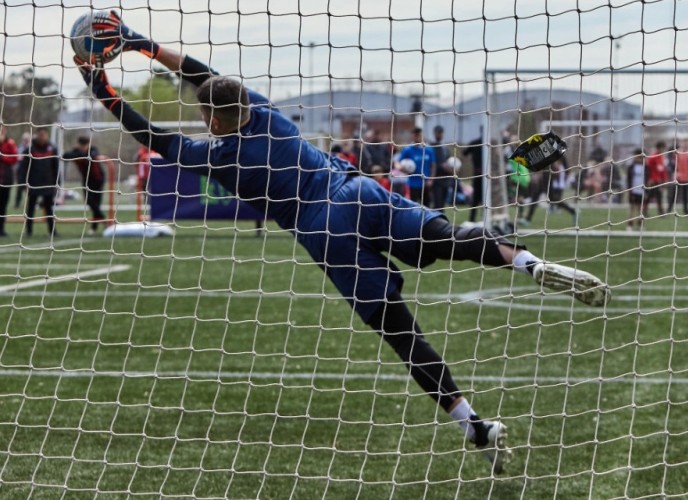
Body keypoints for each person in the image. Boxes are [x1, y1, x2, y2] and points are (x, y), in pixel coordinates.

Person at [72, 14, 610, 474]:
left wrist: (98, 83)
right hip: (358, 191)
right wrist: (141, 41)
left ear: (211, 118)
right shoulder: (267, 115)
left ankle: (474, 424)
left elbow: (152, 136)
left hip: (325, 231)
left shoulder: (217, 156)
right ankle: (530, 263)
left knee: (401, 332)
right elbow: (206, 78)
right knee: (449, 239)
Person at [63, 136, 109, 234]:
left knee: (96, 203)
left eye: (85, 145)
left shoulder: (93, 149)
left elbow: (92, 156)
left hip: (98, 179)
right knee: (89, 202)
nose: (84, 147)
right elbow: (65, 156)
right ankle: (104, 221)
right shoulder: (76, 151)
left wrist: (80, 154)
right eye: (82, 145)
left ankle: (95, 227)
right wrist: (78, 153)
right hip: (86, 180)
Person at [21, 128, 60, 238]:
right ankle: (28, 231)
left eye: (44, 134)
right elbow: (23, 168)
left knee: (49, 208)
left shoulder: (52, 149)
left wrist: (57, 182)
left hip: (48, 183)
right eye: (40, 134)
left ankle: (52, 231)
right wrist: (24, 183)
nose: (42, 137)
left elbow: (56, 167)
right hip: (33, 183)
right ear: (36, 135)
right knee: (30, 208)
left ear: (46, 135)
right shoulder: (29, 149)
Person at [397, 128, 436, 206]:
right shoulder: (408, 149)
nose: (417, 137)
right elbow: (397, 163)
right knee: (413, 206)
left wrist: (431, 179)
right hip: (412, 183)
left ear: (422, 136)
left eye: (419, 135)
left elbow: (433, 165)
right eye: (415, 135)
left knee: (426, 207)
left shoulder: (428, 149)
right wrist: (402, 168)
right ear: (413, 136)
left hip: (425, 183)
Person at [547, 158, 578, 224]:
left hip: (559, 185)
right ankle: (553, 208)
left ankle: (572, 211)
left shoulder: (561, 168)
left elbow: (565, 174)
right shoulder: (553, 167)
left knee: (556, 199)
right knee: (554, 199)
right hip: (553, 185)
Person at [0, 125, 18, 236]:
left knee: (2, 205)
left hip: (6, 179)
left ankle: (1, 229)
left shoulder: (10, 143)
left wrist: (2, 157)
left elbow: (14, 159)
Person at [462, 137, 485, 222]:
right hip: (483, 176)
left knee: (476, 199)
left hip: (478, 175)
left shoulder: (475, 142)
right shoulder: (478, 143)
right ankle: (482, 218)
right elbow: (465, 152)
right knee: (482, 198)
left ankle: (472, 219)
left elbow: (464, 153)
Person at [643, 141, 668, 216]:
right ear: (659, 148)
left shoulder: (661, 157)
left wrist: (664, 179)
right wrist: (649, 179)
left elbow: (662, 169)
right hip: (652, 181)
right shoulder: (652, 157)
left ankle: (661, 212)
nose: (663, 150)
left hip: (659, 181)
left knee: (659, 197)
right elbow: (647, 169)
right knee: (649, 197)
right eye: (662, 148)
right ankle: (644, 211)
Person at [674, 140, 688, 215]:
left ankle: (686, 210)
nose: (685, 144)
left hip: (686, 178)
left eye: (687, 143)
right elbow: (675, 164)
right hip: (678, 177)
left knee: (686, 195)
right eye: (684, 143)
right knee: (674, 193)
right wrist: (675, 173)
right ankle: (669, 209)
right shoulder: (678, 153)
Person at [626, 149, 645, 231]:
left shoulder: (646, 167)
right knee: (631, 208)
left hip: (642, 190)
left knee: (640, 208)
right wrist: (629, 189)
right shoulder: (631, 167)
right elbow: (628, 179)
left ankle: (640, 225)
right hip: (633, 190)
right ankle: (630, 225)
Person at [14, 132, 31, 208]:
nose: (25, 140)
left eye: (27, 139)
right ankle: (17, 204)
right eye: (24, 139)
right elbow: (18, 157)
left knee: (30, 188)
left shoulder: (31, 147)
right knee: (20, 187)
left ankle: (30, 204)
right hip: (21, 170)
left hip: (30, 170)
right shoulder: (20, 147)